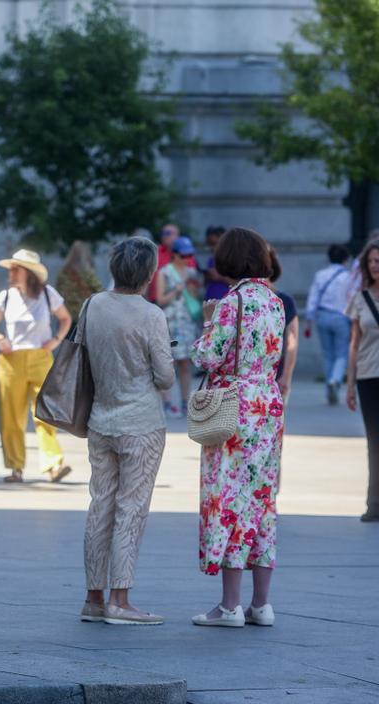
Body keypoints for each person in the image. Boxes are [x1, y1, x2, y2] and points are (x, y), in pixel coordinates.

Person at [190, 227, 284, 629]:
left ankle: (229, 606)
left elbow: (208, 356)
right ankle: (261, 605)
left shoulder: (233, 302)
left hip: (235, 408)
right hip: (268, 404)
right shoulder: (275, 301)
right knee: (262, 500)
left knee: (229, 497)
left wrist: (209, 324)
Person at [80, 237, 174, 626]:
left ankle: (94, 598)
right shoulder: (151, 314)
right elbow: (166, 377)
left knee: (100, 505)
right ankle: (121, 599)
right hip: (141, 423)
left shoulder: (93, 304)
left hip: (101, 418)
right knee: (131, 508)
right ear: (149, 272)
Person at [0, 249, 73, 484]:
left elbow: (66, 318)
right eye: (11, 268)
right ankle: (15, 468)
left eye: (15, 269)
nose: (10, 272)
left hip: (41, 358)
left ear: (28, 273)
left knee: (44, 414)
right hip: (11, 360)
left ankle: (54, 464)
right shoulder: (4, 296)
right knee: (11, 417)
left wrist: (56, 340)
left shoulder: (47, 294)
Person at [346, 238, 379, 522]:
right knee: (374, 441)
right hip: (368, 375)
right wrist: (349, 384)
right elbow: (354, 343)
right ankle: (374, 503)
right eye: (371, 262)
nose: (375, 266)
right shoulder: (360, 298)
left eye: (378, 261)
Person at [154, 236, 202, 417]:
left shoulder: (192, 273)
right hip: (170, 324)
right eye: (184, 255)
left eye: (190, 254)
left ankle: (184, 402)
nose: (187, 258)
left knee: (185, 364)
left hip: (187, 323)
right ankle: (167, 403)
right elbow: (160, 299)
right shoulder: (164, 273)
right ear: (174, 255)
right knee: (169, 362)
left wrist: (191, 288)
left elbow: (195, 298)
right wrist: (176, 290)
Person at [307, 244, 355, 405]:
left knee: (328, 355)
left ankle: (329, 388)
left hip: (322, 316)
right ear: (346, 259)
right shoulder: (348, 277)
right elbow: (352, 298)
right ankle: (335, 380)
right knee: (342, 354)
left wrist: (308, 321)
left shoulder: (320, 275)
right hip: (341, 318)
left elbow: (313, 298)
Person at [268, 249, 300, 400]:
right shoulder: (240, 300)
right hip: (248, 381)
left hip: (276, 376)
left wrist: (286, 376)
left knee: (278, 423)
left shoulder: (285, 300)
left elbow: (292, 341)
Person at [56, 241, 103, 321]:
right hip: (85, 313)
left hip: (67, 313)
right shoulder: (88, 273)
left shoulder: (63, 272)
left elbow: (58, 291)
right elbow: (99, 292)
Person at [204, 226, 230, 301]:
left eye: (214, 243)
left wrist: (220, 277)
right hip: (211, 301)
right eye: (209, 243)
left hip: (226, 302)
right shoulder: (211, 259)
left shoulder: (232, 260)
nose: (211, 247)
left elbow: (239, 283)